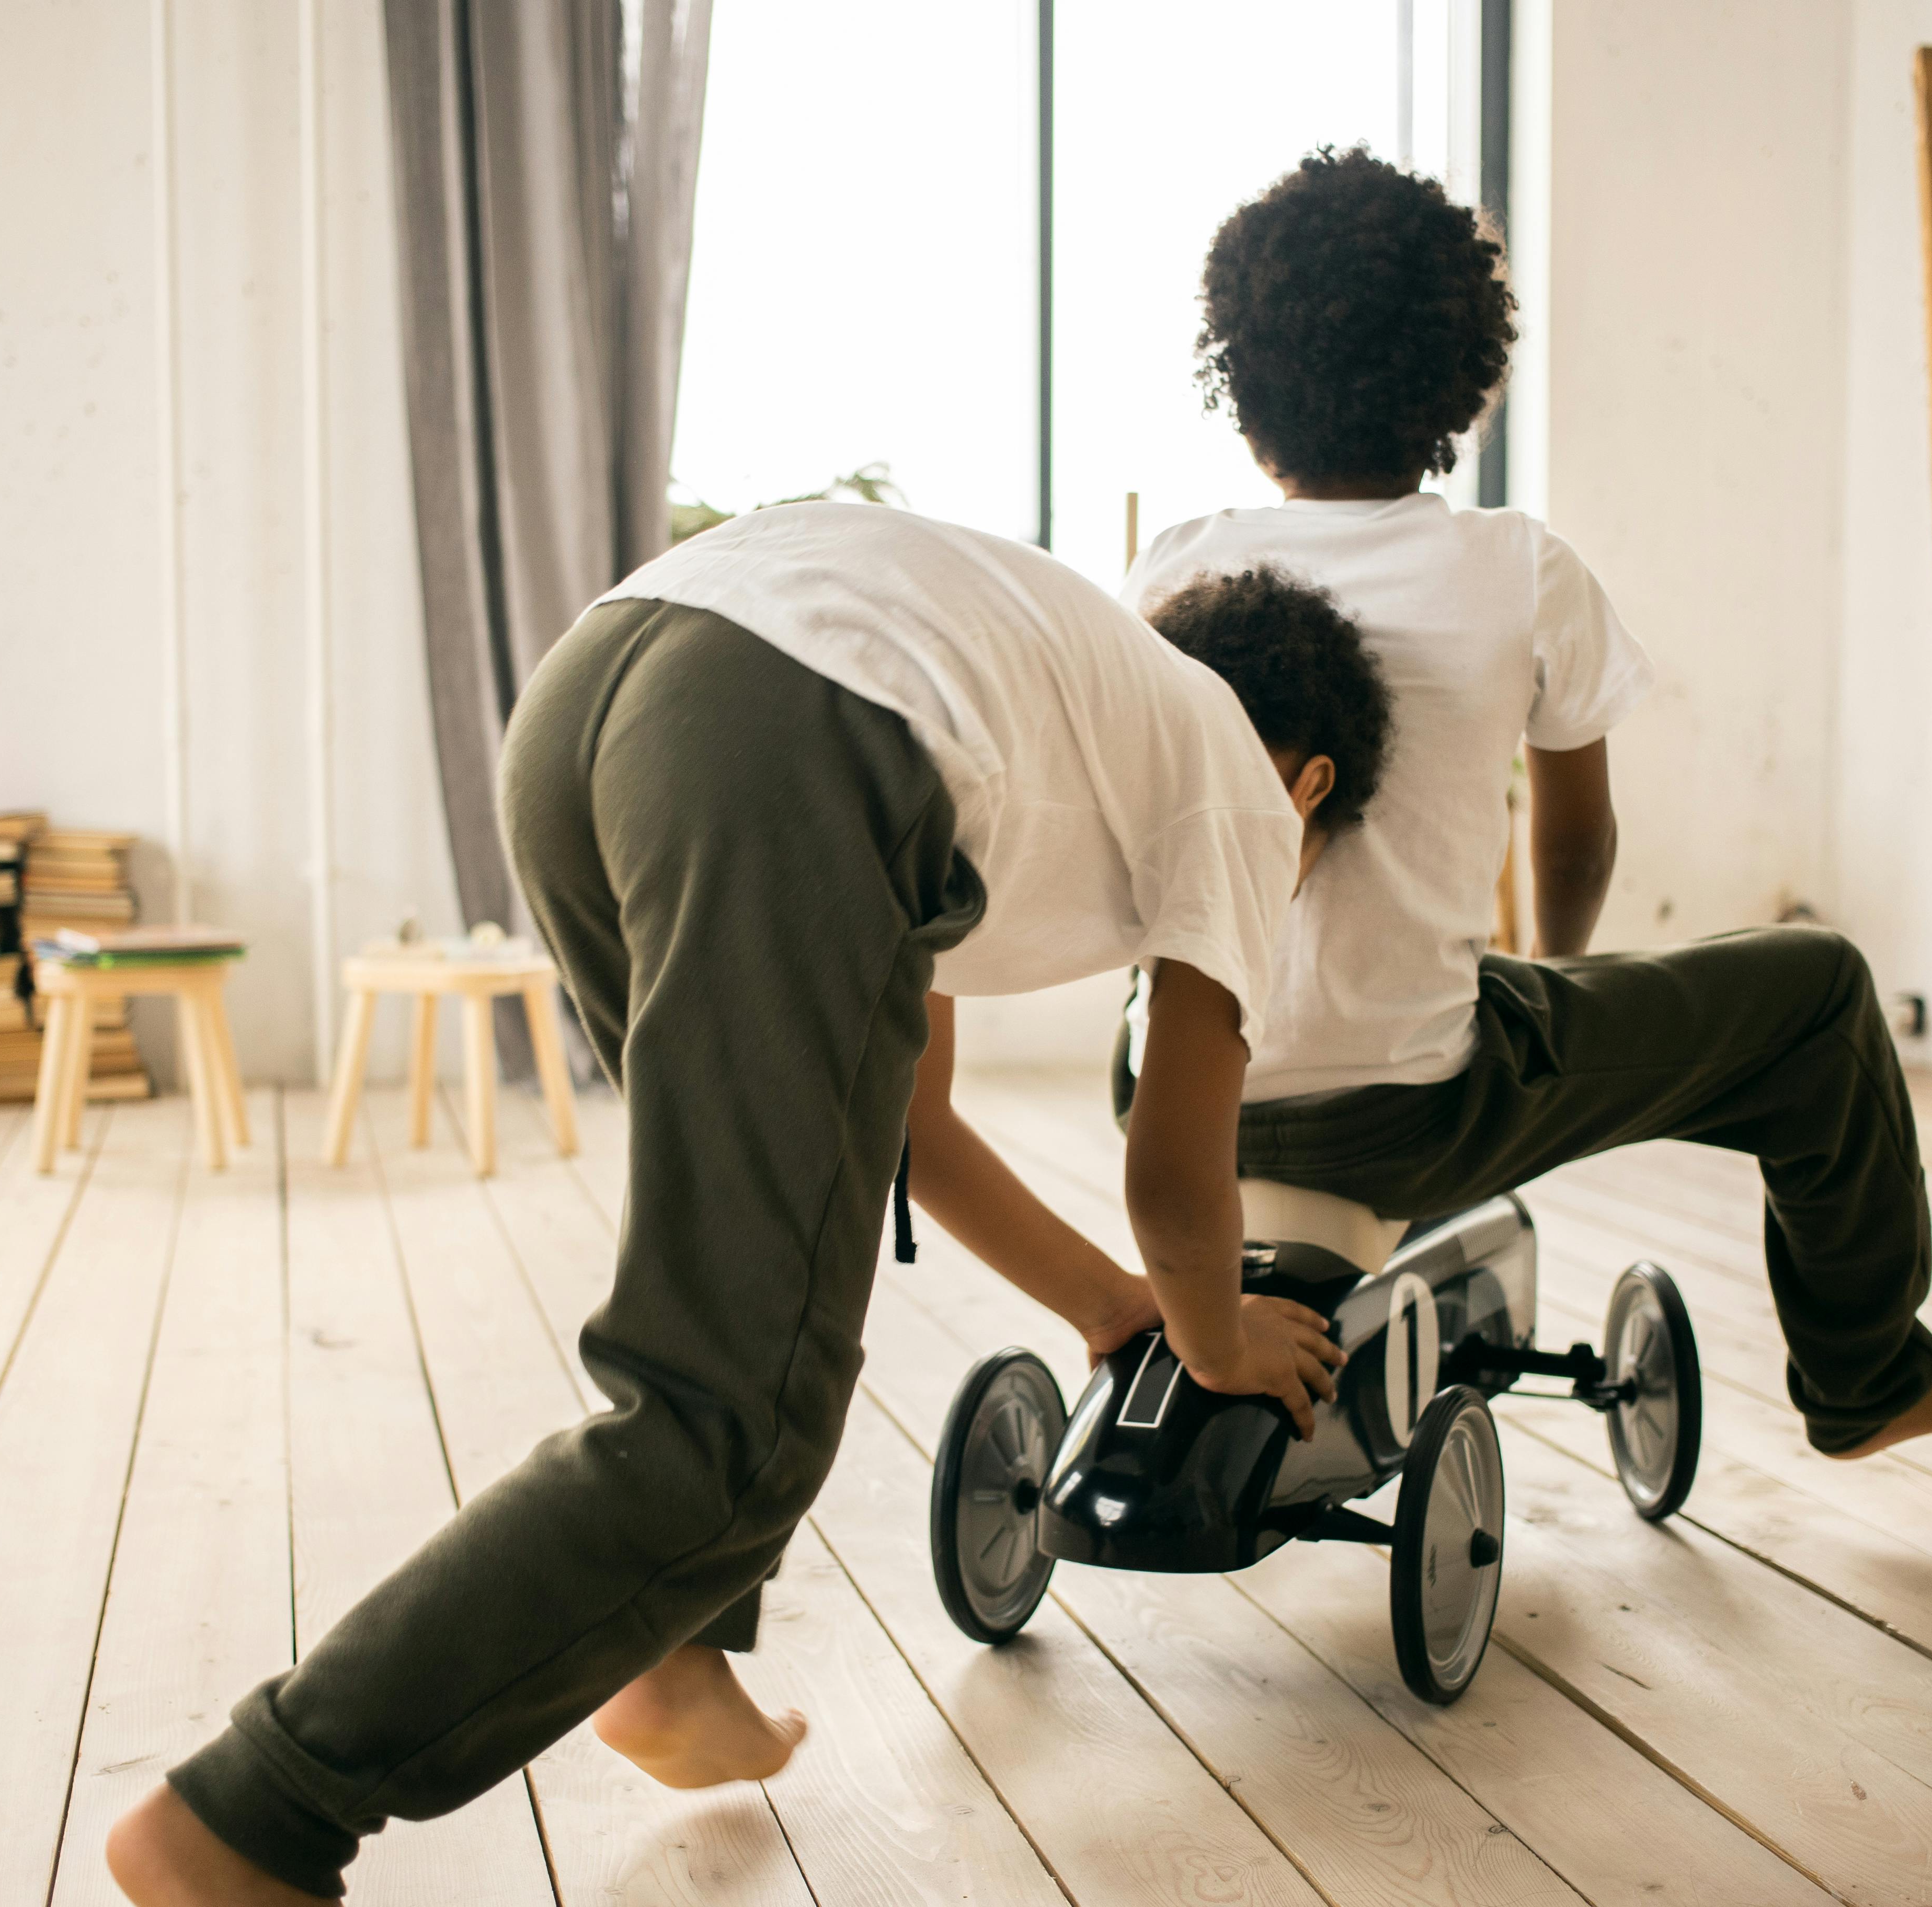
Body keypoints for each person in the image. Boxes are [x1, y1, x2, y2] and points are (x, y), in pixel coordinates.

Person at [106, 502, 1394, 1905]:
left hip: (598, 698)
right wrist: (1218, 1345)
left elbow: (912, 1120)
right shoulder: (1244, 794)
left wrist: (1106, 1305)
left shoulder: (1052, 712)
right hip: (788, 736)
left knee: (737, 1270)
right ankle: (254, 1815)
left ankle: (674, 1657)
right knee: (730, 1411)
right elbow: (1178, 1158)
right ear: (1314, 781)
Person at [1119, 147, 1932, 1466]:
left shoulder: (1174, 566)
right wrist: (1553, 971)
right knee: (1825, 997)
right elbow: (1577, 836)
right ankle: (1868, 1374)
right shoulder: (1517, 567)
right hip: (1415, 1108)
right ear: (1460, 383)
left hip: (1163, 1084)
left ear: (1246, 385)